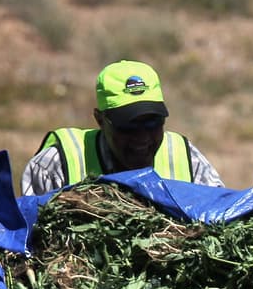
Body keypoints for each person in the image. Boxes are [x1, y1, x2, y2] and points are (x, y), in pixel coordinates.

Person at [22, 60, 223, 196]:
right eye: (129, 125)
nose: (142, 137)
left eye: (153, 122)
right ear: (99, 120)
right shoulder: (57, 164)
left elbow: (222, 216)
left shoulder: (185, 159)